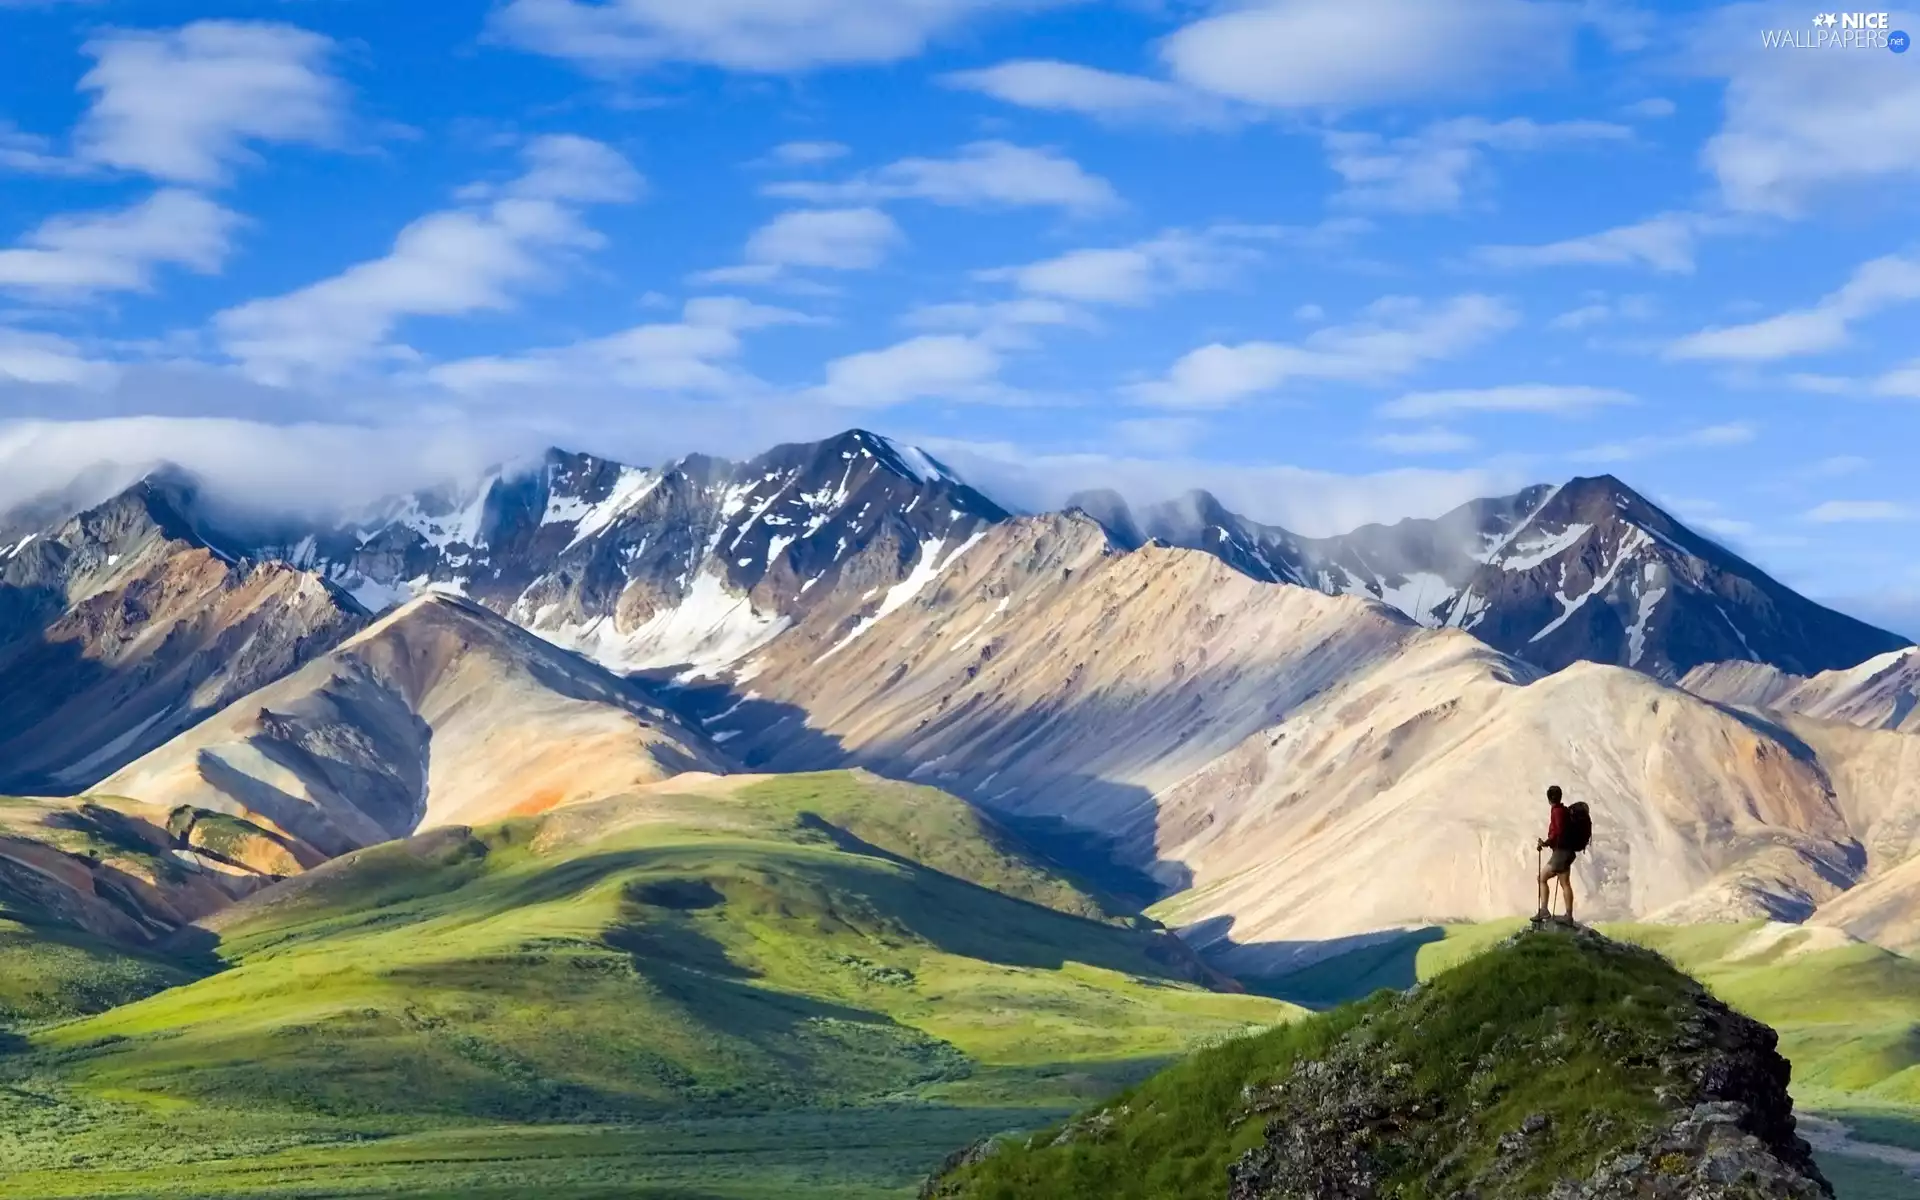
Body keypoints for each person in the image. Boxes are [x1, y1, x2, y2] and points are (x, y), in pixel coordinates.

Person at [1535, 785, 1578, 925]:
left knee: (1542, 878)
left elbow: (1557, 832)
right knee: (1565, 883)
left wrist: (1545, 843)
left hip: (1560, 852)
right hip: (1568, 851)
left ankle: (1544, 910)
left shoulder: (1556, 812)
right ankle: (1568, 916)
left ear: (1549, 799)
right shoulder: (1564, 811)